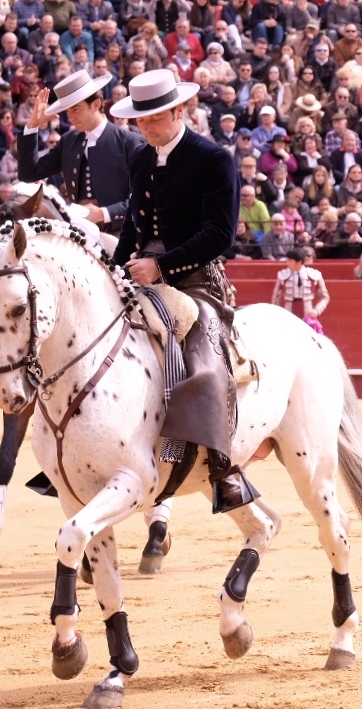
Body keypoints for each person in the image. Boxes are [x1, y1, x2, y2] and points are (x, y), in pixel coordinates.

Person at [110, 69, 259, 513]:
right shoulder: (140, 158)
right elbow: (133, 228)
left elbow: (220, 235)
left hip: (195, 278)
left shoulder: (214, 158)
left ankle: (222, 464)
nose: (146, 127)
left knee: (203, 350)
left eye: (155, 118)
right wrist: (114, 269)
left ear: (180, 111)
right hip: (141, 271)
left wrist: (162, 265)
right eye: (140, 120)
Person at [16, 68, 142, 228]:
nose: (70, 117)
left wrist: (106, 213)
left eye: (76, 109)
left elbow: (144, 198)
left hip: (121, 232)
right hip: (80, 232)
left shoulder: (129, 142)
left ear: (96, 104)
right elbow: (29, 174)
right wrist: (32, 125)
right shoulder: (69, 141)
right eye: (67, 111)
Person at [270, 245, 329, 334]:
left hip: (308, 314)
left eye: (290, 260)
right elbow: (276, 299)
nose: (287, 263)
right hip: (288, 314)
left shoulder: (314, 275)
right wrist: (278, 314)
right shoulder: (282, 275)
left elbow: (325, 297)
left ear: (299, 262)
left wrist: (317, 310)